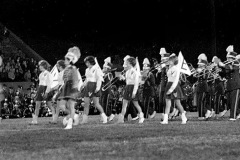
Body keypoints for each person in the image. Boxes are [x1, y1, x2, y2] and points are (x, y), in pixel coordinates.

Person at [58, 46, 81, 129]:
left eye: (66, 59)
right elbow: (64, 80)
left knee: (71, 106)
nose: (64, 61)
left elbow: (76, 80)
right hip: (66, 87)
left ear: (70, 60)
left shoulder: (73, 68)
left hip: (72, 88)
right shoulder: (66, 68)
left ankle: (70, 123)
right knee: (62, 106)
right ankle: (74, 115)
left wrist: (74, 90)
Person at [80, 56, 108, 124]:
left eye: (87, 62)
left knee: (96, 103)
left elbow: (99, 79)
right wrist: (83, 85)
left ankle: (104, 117)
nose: (86, 63)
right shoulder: (87, 70)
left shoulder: (96, 69)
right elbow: (87, 79)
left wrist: (98, 88)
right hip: (87, 87)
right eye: (86, 62)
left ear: (90, 62)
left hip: (94, 86)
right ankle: (84, 120)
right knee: (86, 104)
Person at [161, 54, 187, 124]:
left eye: (170, 60)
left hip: (174, 86)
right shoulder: (169, 68)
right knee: (168, 104)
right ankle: (165, 120)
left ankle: (184, 118)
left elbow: (175, 81)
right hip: (168, 85)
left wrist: (171, 90)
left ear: (173, 61)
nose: (168, 61)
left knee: (178, 103)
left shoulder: (176, 69)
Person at [117, 56, 144, 123]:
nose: (125, 65)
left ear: (131, 64)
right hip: (127, 88)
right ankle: (121, 119)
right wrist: (122, 78)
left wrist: (134, 92)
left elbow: (136, 83)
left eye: (127, 63)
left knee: (136, 104)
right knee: (124, 104)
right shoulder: (127, 71)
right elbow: (128, 81)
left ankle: (141, 116)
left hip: (133, 88)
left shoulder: (135, 72)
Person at [219, 45, 240, 120]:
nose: (227, 59)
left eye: (228, 58)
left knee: (234, 101)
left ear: (232, 58)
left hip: (235, 84)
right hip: (229, 84)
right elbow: (225, 73)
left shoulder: (236, 62)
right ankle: (238, 113)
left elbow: (231, 68)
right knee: (230, 102)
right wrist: (220, 70)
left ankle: (233, 117)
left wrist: (223, 65)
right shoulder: (228, 64)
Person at [30, 60, 52, 124]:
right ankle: (35, 120)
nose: (39, 67)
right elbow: (40, 84)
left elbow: (49, 84)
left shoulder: (48, 74)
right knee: (37, 104)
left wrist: (46, 92)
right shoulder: (40, 74)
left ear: (43, 66)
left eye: (40, 65)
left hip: (45, 88)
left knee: (49, 104)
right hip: (40, 88)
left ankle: (55, 117)